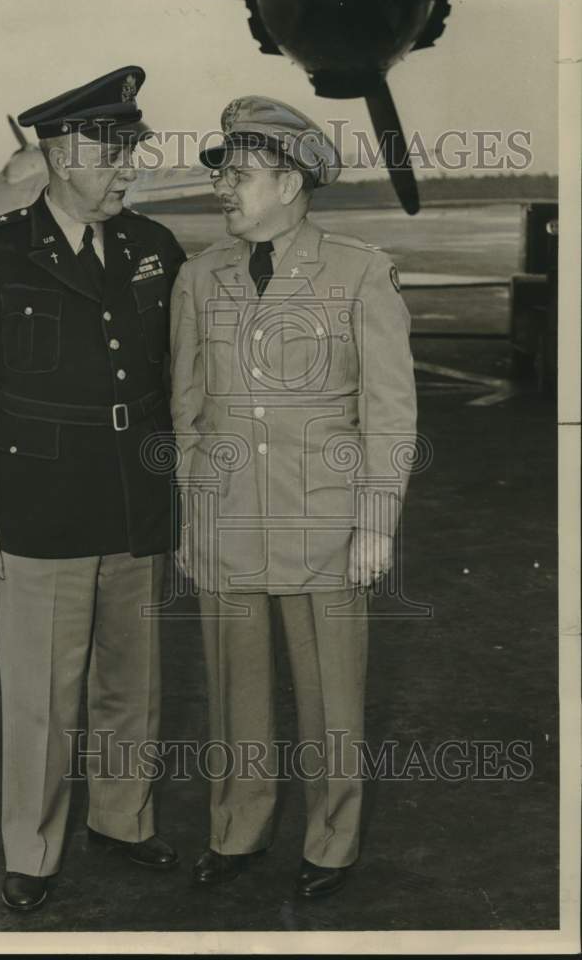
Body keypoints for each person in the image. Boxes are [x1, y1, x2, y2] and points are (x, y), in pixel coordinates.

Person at [0, 66, 187, 912]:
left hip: (134, 499)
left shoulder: (153, 247)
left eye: (132, 153)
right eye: (111, 154)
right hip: (38, 507)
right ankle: (32, 849)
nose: (130, 171)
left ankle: (124, 820)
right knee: (42, 695)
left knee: (132, 682)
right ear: (58, 153)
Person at [169, 95, 418, 897]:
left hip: (327, 525)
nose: (224, 191)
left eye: (239, 176)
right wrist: (191, 512)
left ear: (290, 181)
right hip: (228, 522)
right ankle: (237, 833)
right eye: (223, 177)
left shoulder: (359, 271)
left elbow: (390, 411)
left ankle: (330, 843)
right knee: (235, 693)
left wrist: (376, 524)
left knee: (331, 699)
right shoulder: (197, 275)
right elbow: (186, 407)